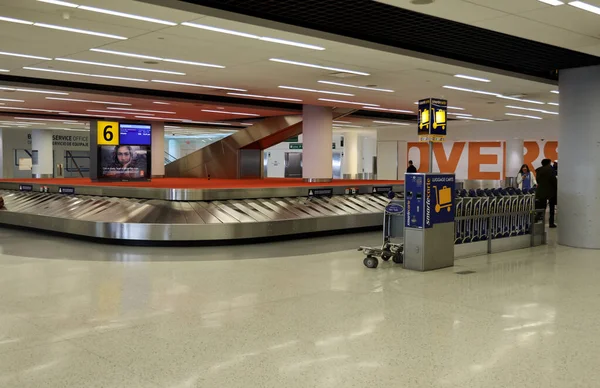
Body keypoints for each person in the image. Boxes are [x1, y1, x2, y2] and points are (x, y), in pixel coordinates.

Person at [535, 158, 557, 228]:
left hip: (541, 191)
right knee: (551, 208)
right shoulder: (550, 170)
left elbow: (537, 181)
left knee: (541, 207)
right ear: (548, 163)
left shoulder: (538, 170)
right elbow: (553, 180)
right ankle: (551, 223)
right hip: (550, 191)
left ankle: (537, 221)